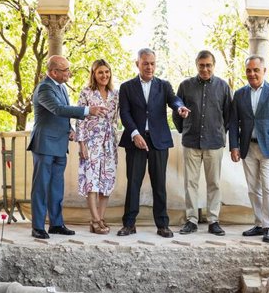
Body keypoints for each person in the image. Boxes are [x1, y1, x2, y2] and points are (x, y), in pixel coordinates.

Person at [27, 55, 105, 239]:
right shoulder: (45, 88)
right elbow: (57, 109)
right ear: (54, 72)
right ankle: (38, 226)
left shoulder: (61, 87)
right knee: (41, 187)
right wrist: (88, 110)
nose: (69, 73)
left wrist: (69, 129)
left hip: (60, 144)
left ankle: (56, 224)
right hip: (44, 144)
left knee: (56, 187)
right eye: (66, 70)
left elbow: (61, 114)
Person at [117, 48, 191, 238]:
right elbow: (124, 113)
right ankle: (129, 224)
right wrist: (134, 133)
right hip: (136, 141)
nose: (149, 67)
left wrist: (180, 107)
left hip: (159, 141)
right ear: (137, 64)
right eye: (145, 63)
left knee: (159, 183)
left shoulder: (164, 85)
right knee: (133, 183)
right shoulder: (126, 87)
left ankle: (162, 225)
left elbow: (173, 100)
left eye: (152, 63)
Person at [228, 55, 269, 243]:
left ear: (264, 71)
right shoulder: (239, 94)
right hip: (248, 147)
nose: (252, 73)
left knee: (268, 187)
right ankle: (259, 223)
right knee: (253, 189)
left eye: (256, 70)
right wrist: (234, 146)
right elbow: (233, 123)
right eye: (248, 70)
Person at [173, 50, 232, 236]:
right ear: (196, 65)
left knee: (213, 182)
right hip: (191, 141)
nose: (205, 69)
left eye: (208, 65)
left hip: (214, 143)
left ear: (213, 66)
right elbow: (177, 111)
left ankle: (213, 220)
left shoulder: (223, 86)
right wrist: (185, 128)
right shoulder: (185, 86)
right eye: (201, 65)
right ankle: (191, 220)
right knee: (190, 182)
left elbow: (228, 116)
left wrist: (220, 133)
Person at [75, 59, 119, 235]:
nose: (104, 75)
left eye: (107, 72)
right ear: (93, 74)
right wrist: (82, 144)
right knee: (92, 182)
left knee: (106, 182)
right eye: (100, 72)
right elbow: (79, 119)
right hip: (91, 142)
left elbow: (116, 119)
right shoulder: (86, 92)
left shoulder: (115, 94)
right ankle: (94, 220)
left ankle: (100, 218)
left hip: (109, 144)